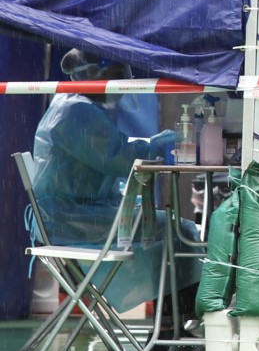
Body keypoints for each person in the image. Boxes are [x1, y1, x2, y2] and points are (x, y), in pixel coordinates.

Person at [31, 49, 201, 325]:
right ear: (92, 73)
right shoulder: (75, 111)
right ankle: (174, 327)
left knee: (165, 228)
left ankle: (171, 324)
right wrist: (155, 144)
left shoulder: (71, 103)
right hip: (70, 221)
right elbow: (120, 158)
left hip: (71, 215)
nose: (121, 84)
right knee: (177, 230)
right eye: (116, 74)